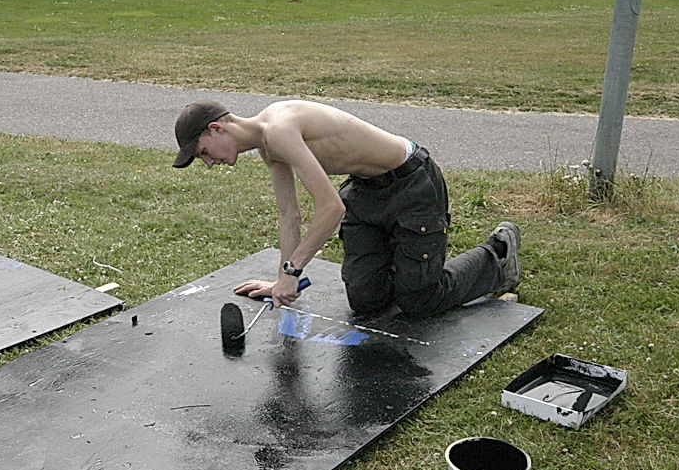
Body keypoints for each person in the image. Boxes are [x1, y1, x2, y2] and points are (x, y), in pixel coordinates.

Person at [171, 98, 521, 319]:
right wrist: (281, 278)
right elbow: (289, 215)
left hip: (413, 184)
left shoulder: (278, 129)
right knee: (366, 301)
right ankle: (406, 266)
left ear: (216, 128)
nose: (209, 163)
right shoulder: (267, 147)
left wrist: (293, 271)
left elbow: (330, 208)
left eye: (203, 152)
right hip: (367, 192)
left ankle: (497, 257)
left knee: (418, 301)